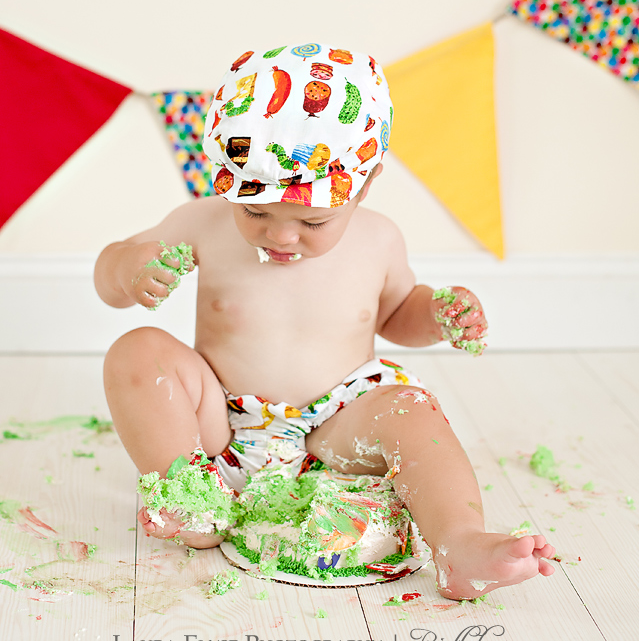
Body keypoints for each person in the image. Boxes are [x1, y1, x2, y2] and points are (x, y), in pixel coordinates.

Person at [95, 42, 555, 600]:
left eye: (313, 220)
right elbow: (109, 274)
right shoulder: (202, 221)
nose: (281, 236)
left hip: (337, 427)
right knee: (137, 351)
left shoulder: (378, 238)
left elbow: (395, 314)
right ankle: (192, 495)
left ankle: (459, 542)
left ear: (363, 184)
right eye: (255, 211)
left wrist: (434, 314)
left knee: (411, 411)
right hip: (219, 424)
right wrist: (127, 269)